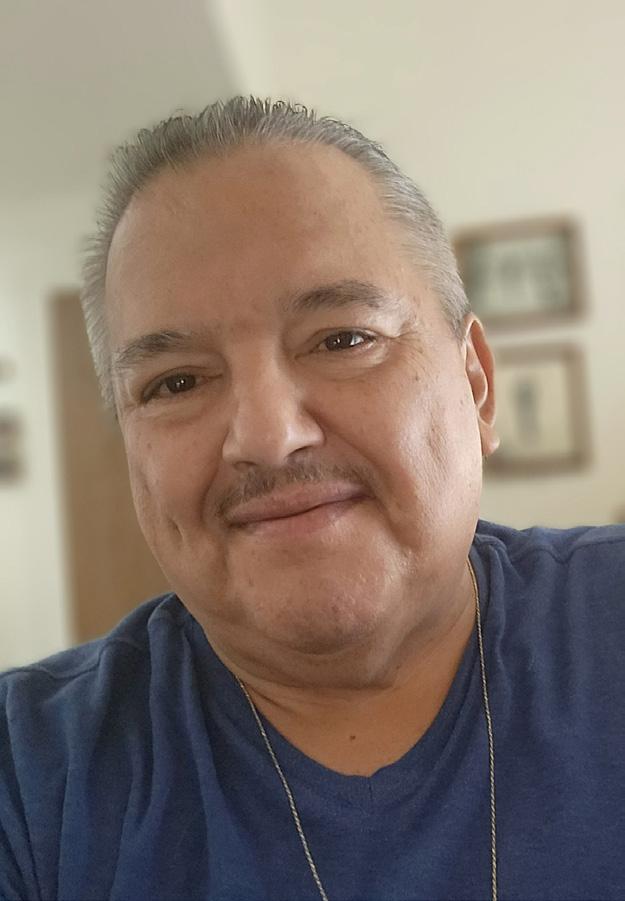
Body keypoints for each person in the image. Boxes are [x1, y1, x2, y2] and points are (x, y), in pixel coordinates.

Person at [1, 97, 624, 901]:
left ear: (475, 385)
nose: (267, 436)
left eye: (342, 339)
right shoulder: (32, 778)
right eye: (176, 382)